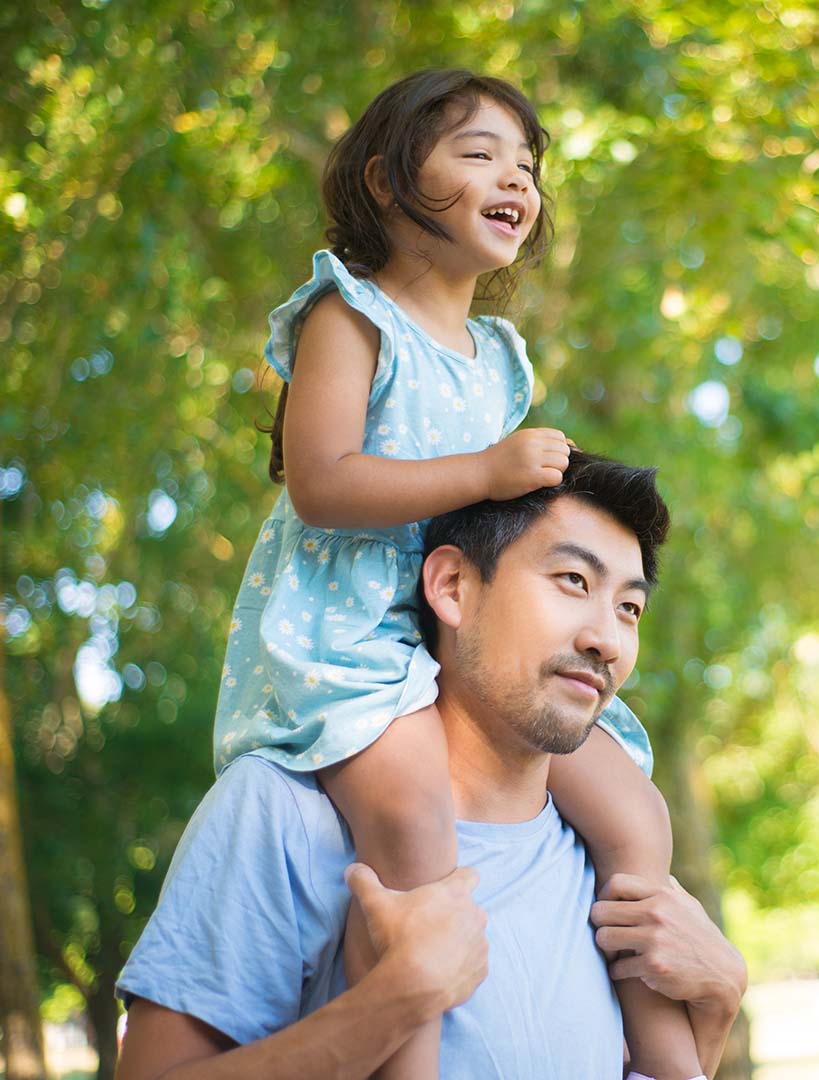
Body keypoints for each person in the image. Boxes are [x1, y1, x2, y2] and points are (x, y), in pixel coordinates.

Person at [210, 67, 701, 1079]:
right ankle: (411, 1062)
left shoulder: (498, 357)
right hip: (352, 636)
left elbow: (498, 537)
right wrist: (484, 467)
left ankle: (671, 1059)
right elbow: (320, 481)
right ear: (389, 183)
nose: (514, 178)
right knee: (417, 823)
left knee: (634, 813)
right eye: (478, 154)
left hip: (463, 641)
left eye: (526, 165)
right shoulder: (348, 316)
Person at [115, 451, 747, 1079]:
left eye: (628, 609)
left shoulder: (611, 866)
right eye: (573, 582)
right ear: (452, 587)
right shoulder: (282, 815)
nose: (605, 639)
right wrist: (392, 1002)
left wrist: (715, 1010)